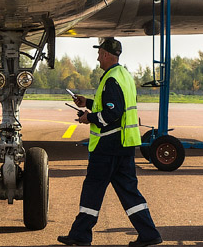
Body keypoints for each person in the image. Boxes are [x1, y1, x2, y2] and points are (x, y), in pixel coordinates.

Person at [58, 37, 161, 247]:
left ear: (106, 54)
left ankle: (80, 235)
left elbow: (113, 112)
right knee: (129, 192)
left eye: (99, 54)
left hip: (107, 147)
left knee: (93, 190)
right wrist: (87, 102)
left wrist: (90, 117)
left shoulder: (110, 79)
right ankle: (149, 234)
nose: (97, 58)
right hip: (124, 145)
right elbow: (113, 105)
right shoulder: (123, 76)